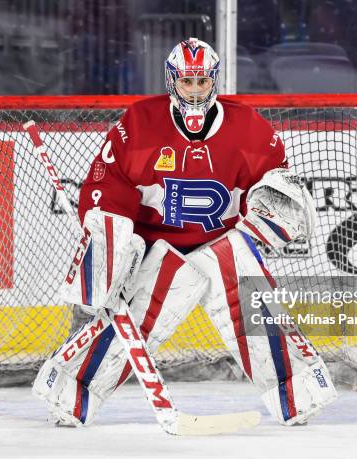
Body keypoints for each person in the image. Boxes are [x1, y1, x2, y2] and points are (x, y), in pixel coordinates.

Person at [32, 37, 336, 427]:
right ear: (171, 80)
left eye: (202, 82)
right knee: (126, 322)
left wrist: (270, 211)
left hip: (221, 245)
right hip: (159, 248)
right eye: (186, 82)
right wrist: (114, 242)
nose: (194, 90)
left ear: (215, 82)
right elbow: (106, 187)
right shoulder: (139, 124)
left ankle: (296, 394)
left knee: (254, 306)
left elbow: (274, 182)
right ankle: (72, 394)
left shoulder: (248, 128)